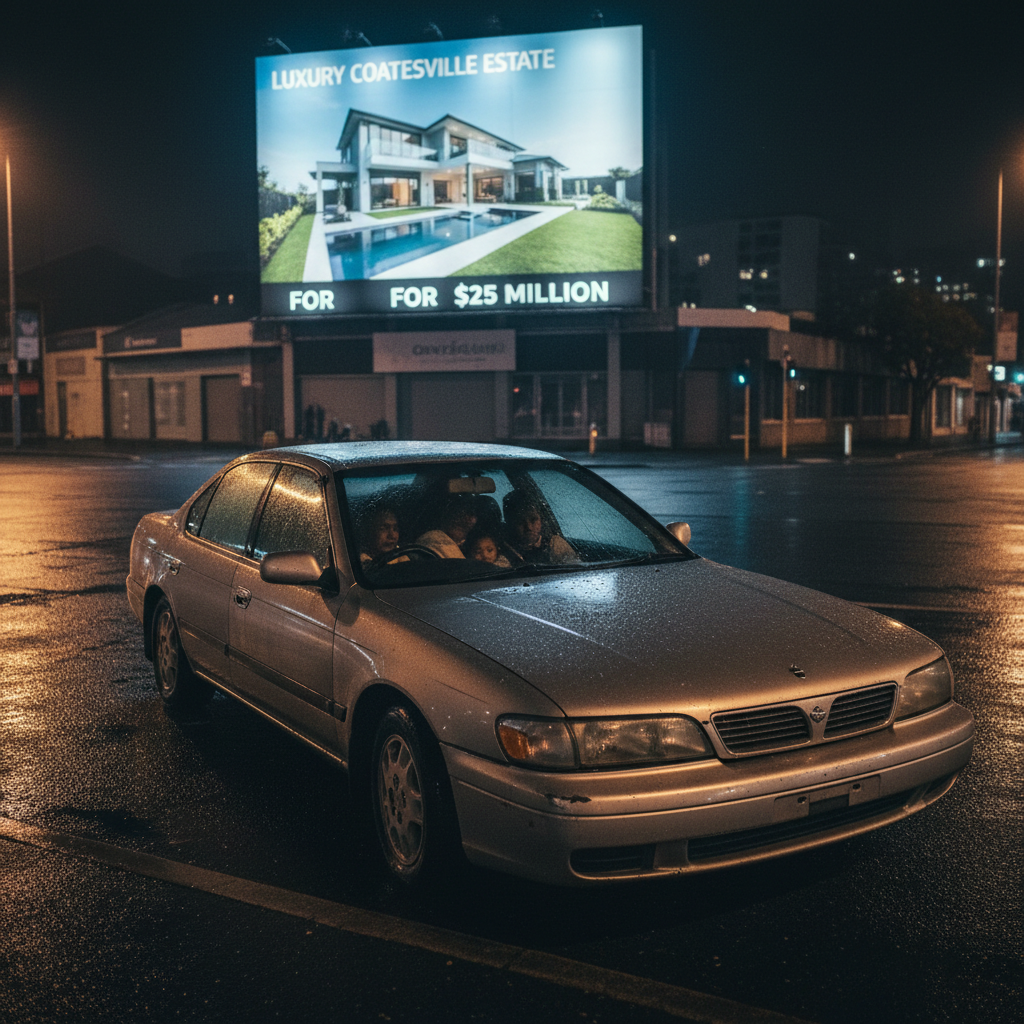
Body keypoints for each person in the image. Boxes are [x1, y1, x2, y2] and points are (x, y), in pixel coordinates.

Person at [503, 491, 575, 564]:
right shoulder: (500, 551)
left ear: (541, 519)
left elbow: (575, 569)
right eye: (520, 522)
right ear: (510, 523)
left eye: (533, 519)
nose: (529, 527)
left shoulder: (554, 544)